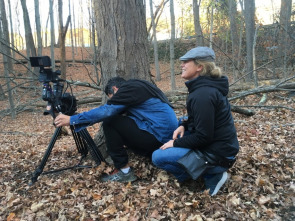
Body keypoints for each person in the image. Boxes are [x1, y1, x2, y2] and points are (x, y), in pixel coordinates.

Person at [54, 77, 178, 182]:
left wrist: (73, 119)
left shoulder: (128, 90)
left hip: (159, 137)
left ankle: (125, 171)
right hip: (166, 136)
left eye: (111, 97)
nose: (112, 101)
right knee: (120, 119)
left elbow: (107, 111)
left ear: (115, 89)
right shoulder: (138, 87)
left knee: (110, 121)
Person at [152, 47, 239, 196]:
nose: (182, 65)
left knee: (157, 156)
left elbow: (204, 137)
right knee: (178, 127)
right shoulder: (203, 88)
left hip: (218, 154)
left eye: (186, 62)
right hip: (222, 146)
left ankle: (212, 175)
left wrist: (175, 143)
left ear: (200, 67)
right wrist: (184, 125)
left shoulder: (203, 95)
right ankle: (195, 172)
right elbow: (200, 119)